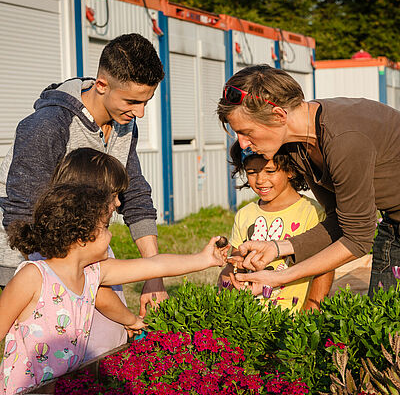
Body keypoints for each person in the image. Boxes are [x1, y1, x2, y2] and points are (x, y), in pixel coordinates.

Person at [0, 183, 226, 394]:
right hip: (23, 390)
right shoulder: (33, 276)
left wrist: (204, 259)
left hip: (64, 387)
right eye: (105, 227)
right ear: (81, 237)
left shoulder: (92, 273)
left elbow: (155, 265)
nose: (110, 234)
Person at [0, 33, 167, 315]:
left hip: (87, 257)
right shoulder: (49, 124)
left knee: (104, 347)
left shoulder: (124, 123)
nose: (139, 112)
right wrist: (64, 275)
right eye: (131, 101)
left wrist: (155, 275)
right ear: (102, 85)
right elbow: (22, 210)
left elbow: (134, 194)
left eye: (145, 102)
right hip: (33, 264)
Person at [217, 64, 400, 300]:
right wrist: (276, 247)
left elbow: (357, 239)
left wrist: (280, 277)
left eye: (247, 132)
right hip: (393, 226)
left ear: (279, 115)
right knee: (385, 326)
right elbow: (339, 221)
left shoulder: (344, 140)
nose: (242, 144)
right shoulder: (298, 145)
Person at [49, 147, 138, 360]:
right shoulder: (83, 246)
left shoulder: (57, 239)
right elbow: (101, 296)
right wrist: (131, 320)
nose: (118, 204)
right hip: (93, 355)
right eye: (114, 195)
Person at [218, 140, 325, 311]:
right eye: (252, 172)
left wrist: (312, 310)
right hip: (252, 316)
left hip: (295, 316)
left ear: (290, 170)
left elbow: (324, 268)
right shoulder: (244, 214)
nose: (260, 180)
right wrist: (229, 277)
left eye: (270, 171)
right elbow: (235, 263)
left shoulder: (312, 212)